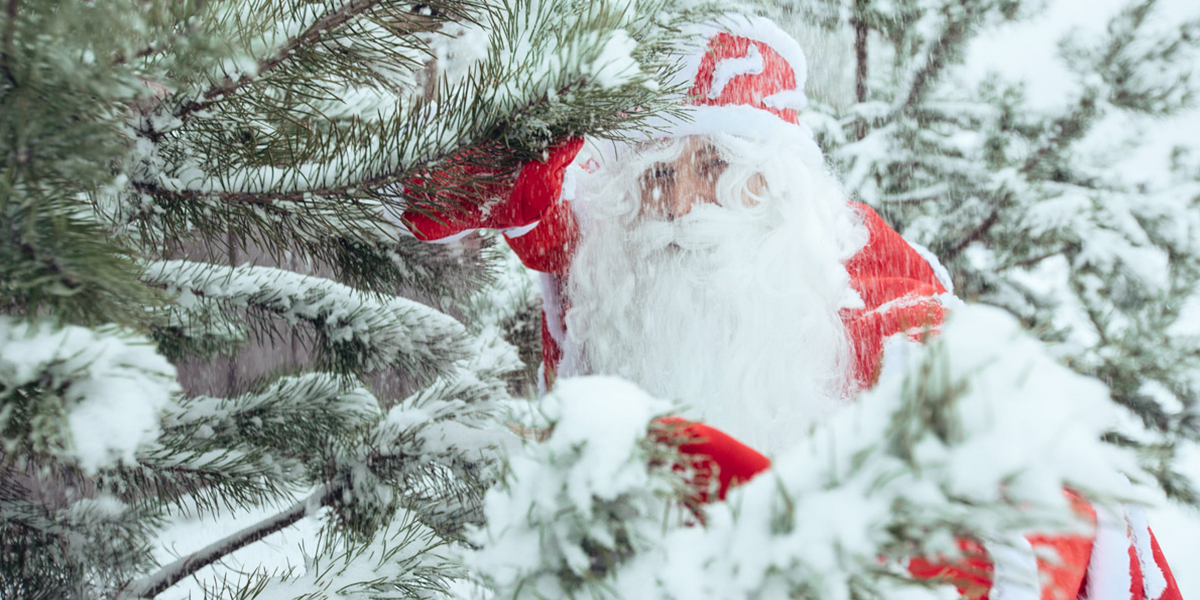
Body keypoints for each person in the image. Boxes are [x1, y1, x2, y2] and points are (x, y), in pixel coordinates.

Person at [398, 14, 1181, 600]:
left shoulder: (861, 291)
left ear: (777, 183)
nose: (684, 208)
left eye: (715, 164)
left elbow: (1020, 484)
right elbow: (465, 189)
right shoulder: (614, 267)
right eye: (659, 176)